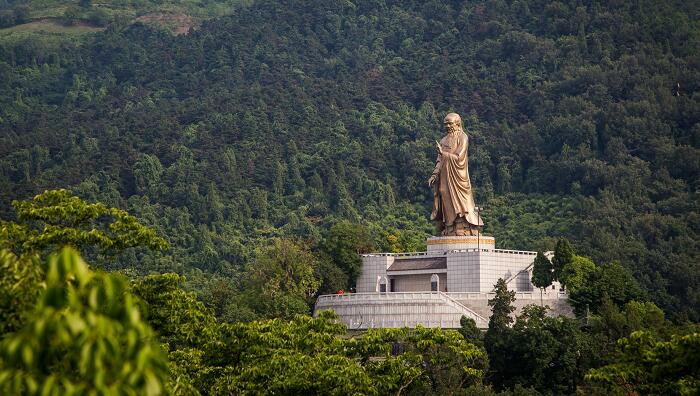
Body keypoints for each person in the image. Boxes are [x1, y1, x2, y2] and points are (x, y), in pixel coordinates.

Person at [428, 113, 483, 236]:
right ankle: (449, 226)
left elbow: (459, 157)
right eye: (445, 124)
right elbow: (439, 160)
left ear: (457, 123)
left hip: (458, 175)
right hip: (444, 175)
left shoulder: (463, 137)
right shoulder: (443, 140)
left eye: (450, 123)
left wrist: (443, 153)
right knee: (444, 194)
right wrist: (434, 174)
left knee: (461, 199)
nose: (447, 126)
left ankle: (462, 225)